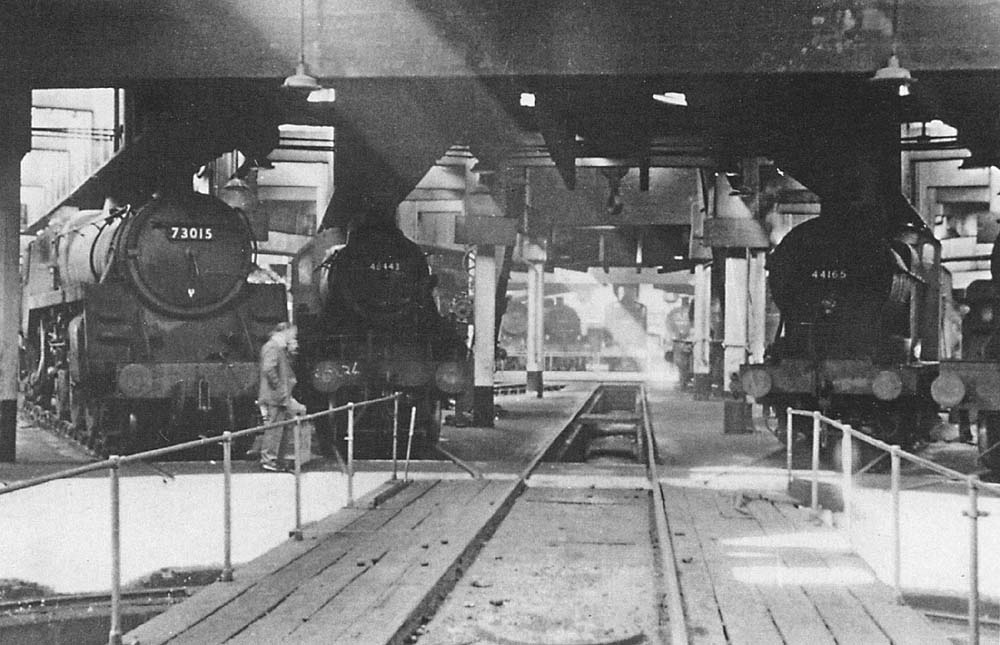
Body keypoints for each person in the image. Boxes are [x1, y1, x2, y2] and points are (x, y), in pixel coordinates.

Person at [257, 322, 305, 471]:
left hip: (279, 396)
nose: (293, 337)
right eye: (292, 334)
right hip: (275, 396)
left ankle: (277, 458)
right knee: (274, 428)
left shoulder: (279, 348)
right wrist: (278, 387)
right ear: (285, 331)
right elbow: (268, 368)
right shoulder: (272, 347)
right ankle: (269, 459)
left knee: (282, 428)